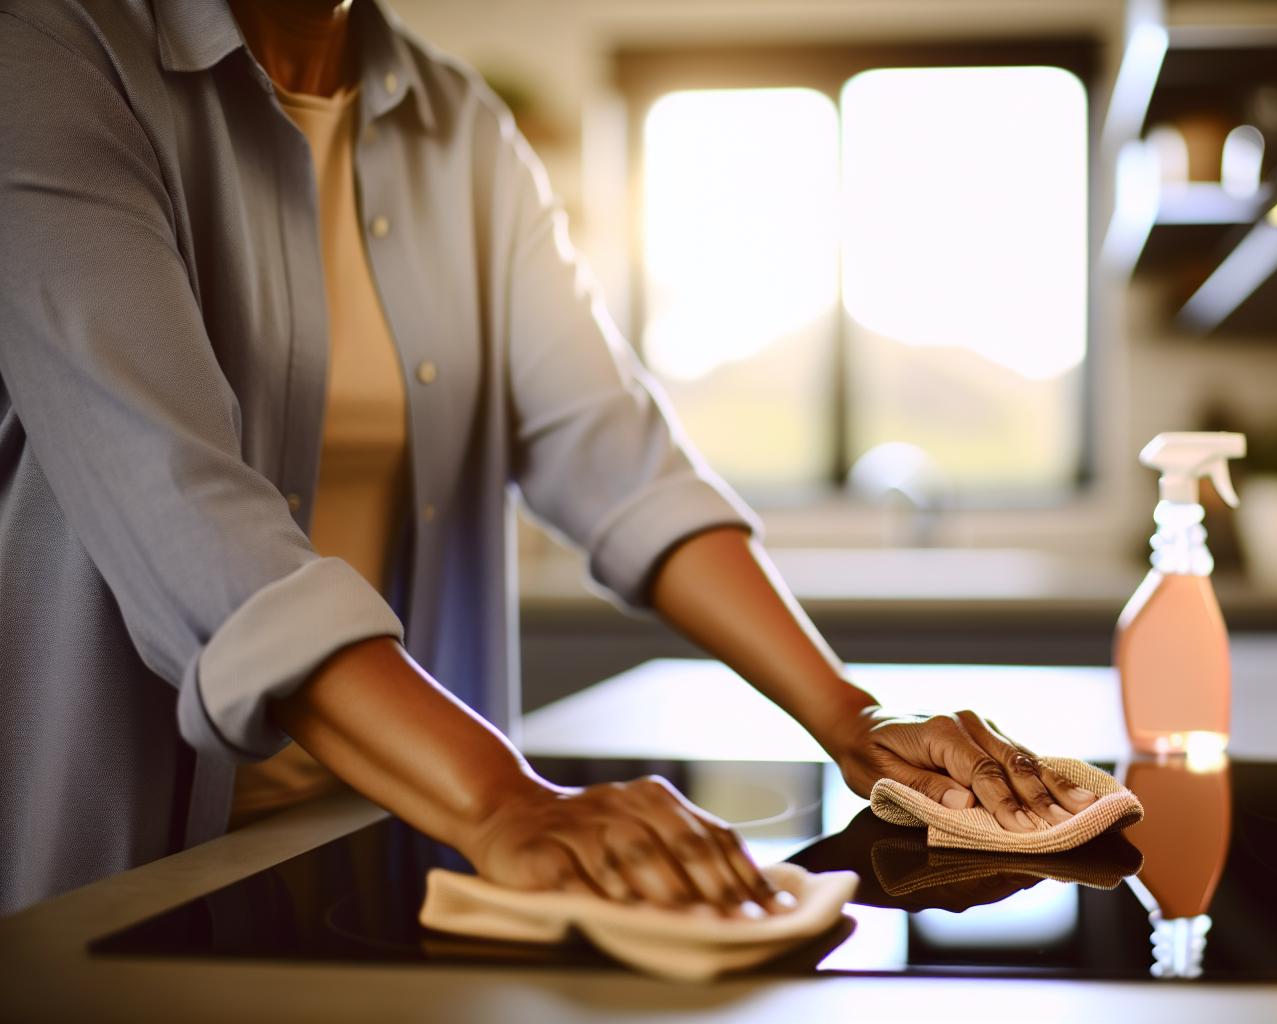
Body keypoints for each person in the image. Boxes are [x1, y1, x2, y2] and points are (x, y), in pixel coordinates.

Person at [0, 0, 1098, 916]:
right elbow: (180, 502)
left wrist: (852, 720)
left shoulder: (459, 126)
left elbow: (614, 453)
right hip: (121, 871)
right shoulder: (45, 57)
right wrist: (499, 795)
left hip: (384, 843)